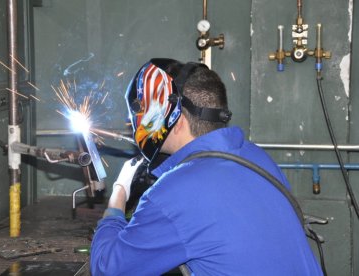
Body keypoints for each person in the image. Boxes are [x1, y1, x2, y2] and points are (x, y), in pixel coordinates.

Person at [90, 58, 323, 275]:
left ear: (174, 116)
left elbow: (107, 268)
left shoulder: (173, 194)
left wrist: (119, 193)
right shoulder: (256, 156)